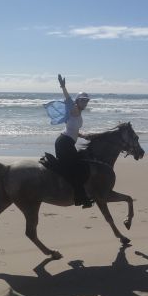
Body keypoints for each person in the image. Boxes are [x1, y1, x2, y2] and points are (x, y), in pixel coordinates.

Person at [55, 74, 93, 207]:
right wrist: (63, 87)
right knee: (76, 168)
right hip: (64, 143)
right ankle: (80, 197)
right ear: (78, 102)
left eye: (86, 100)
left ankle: (81, 194)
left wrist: (84, 135)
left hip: (67, 142)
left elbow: (74, 130)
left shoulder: (78, 114)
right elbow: (68, 100)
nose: (85, 102)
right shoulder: (74, 109)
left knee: (80, 165)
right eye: (83, 100)